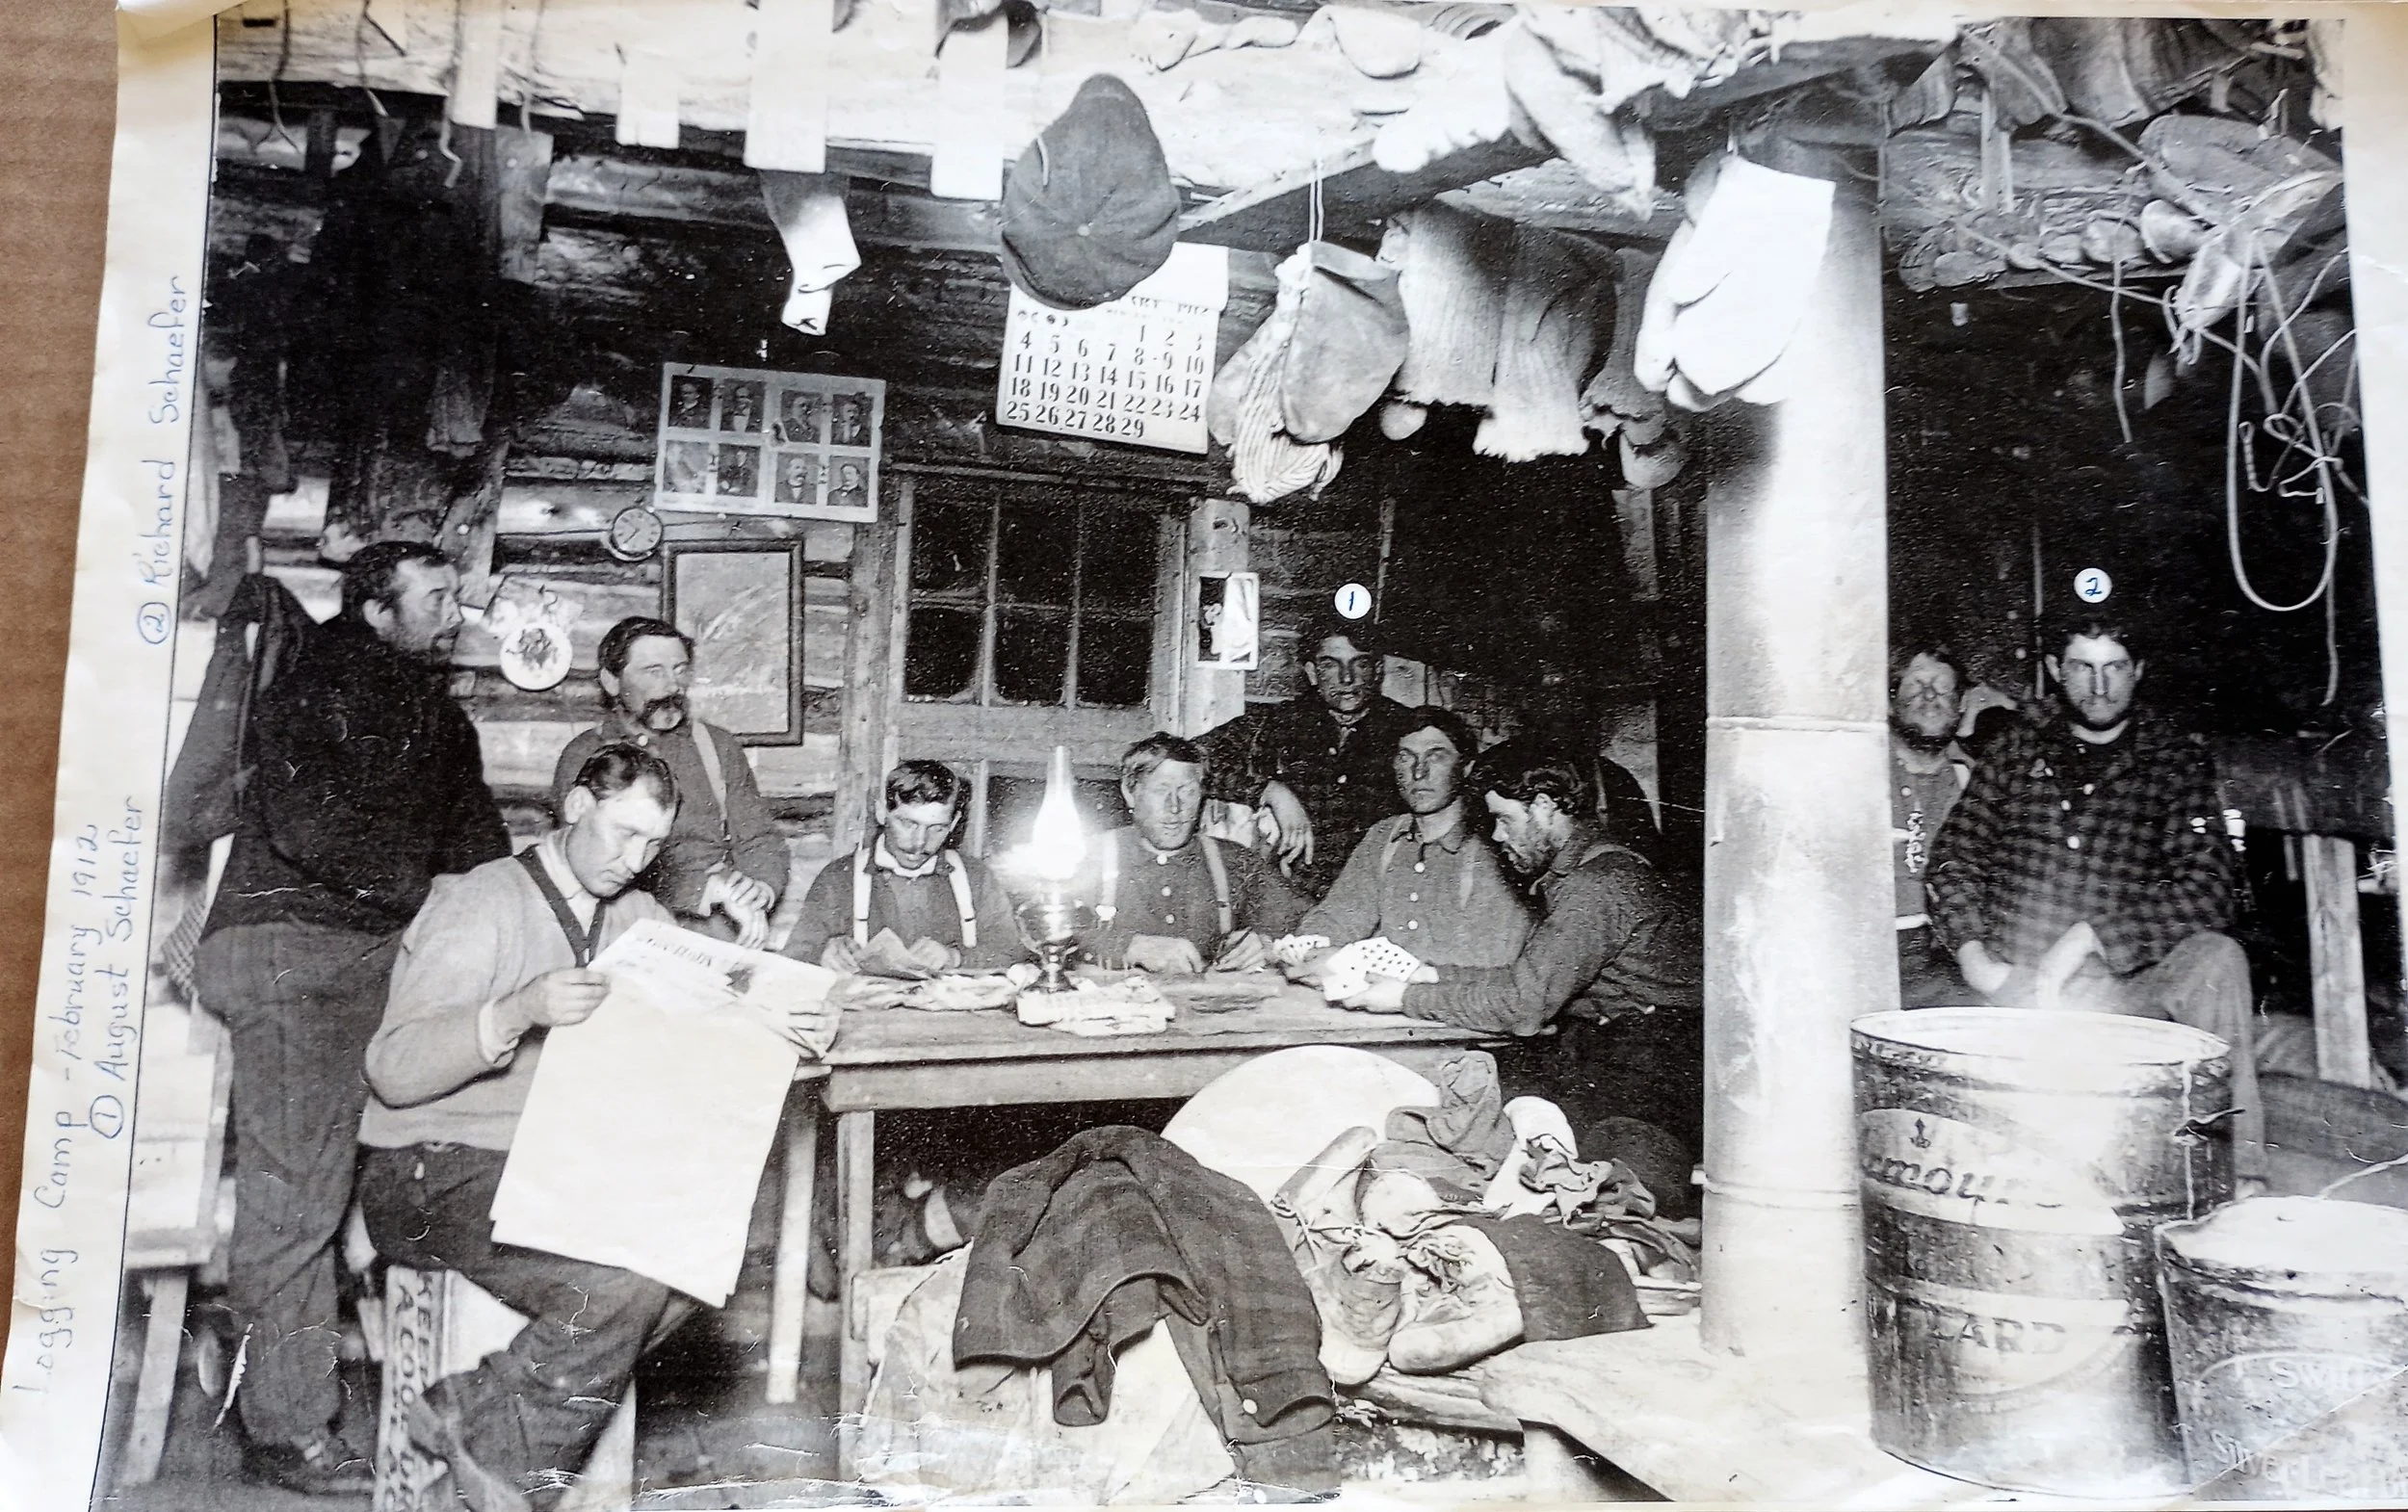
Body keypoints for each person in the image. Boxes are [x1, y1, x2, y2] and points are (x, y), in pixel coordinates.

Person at [358, 746, 839, 1510]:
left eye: (652, 845)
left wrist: (774, 1012)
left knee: (702, 1244)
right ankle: (495, 1440)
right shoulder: (481, 903)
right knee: (626, 1271)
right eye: (621, 834)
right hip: (428, 1167)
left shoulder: (636, 917)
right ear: (577, 807)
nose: (632, 859)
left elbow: (693, 1026)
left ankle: (480, 1406)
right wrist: (516, 1010)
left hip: (547, 1160)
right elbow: (392, 1069)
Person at [194, 539, 509, 1494]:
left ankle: (356, 1388)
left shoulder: (437, 714)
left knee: (376, 1169)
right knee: (296, 1198)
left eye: (459, 592)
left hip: (359, 954)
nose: (458, 609)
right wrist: (434, 897)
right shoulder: (316, 678)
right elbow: (309, 828)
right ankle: (285, 1431)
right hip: (296, 948)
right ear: (376, 608)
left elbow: (480, 850)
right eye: (439, 594)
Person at [1927, 615, 2263, 1175]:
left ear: (2138, 672)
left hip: (2127, 988)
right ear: (2057, 670)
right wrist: (1978, 962)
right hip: (2022, 985)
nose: (2099, 687)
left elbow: (2209, 888)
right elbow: (1953, 857)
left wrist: (2092, 937)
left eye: (2115, 668)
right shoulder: (2014, 751)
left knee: (2218, 960)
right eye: (2083, 666)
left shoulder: (2172, 760)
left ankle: (2238, 1176)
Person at [1335, 740, 1704, 1152]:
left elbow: (1524, 1003)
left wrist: (1407, 997)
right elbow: (1528, 976)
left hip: (1653, 1072)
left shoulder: (1596, 886)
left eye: (1504, 820)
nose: (1497, 834)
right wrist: (1434, 974)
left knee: (1470, 1126)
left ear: (1544, 807)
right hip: (1624, 1051)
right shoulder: (1588, 868)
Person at [553, 618, 785, 947]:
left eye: (680, 669)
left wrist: (759, 888)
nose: (673, 686)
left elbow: (759, 837)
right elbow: (594, 868)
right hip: (621, 928)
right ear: (611, 681)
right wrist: (701, 890)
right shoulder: (583, 755)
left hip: (717, 926)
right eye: (654, 671)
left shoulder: (716, 746)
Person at [1197, 612, 1421, 899]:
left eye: (1360, 664)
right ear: (1313, 673)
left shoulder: (1408, 729)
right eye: (1331, 665)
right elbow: (1191, 759)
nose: (1347, 677)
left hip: (1381, 896)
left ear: (1377, 671)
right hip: (1290, 896)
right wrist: (1270, 791)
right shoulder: (1278, 722)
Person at [1292, 707, 1532, 970]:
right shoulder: (1384, 836)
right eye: (1406, 758)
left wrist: (1355, 962)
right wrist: (1311, 948)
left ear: (1466, 767)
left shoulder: (1492, 844)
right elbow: (1337, 917)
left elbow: (1488, 960)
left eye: (1436, 757)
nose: (1419, 773)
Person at [1081, 733, 1310, 972]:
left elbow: (1310, 922)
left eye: (1187, 791)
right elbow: (1043, 933)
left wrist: (1268, 945)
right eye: (1160, 791)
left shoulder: (1233, 860)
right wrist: (1127, 946)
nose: (1175, 807)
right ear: (1130, 793)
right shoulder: (1087, 856)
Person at [785, 760, 1024, 971]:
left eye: (936, 828)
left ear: (954, 824)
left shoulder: (975, 878)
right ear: (881, 812)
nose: (919, 843)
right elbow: (794, 960)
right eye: (908, 823)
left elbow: (1013, 954)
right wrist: (822, 954)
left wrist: (956, 957)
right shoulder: (838, 879)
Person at [1890, 643, 1977, 1006]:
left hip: (1949, 957)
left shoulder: (1976, 781)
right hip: (1871, 950)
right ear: (1890, 701)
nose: (1930, 697)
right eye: (1916, 686)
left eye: (1943, 689)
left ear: (1960, 705)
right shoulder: (1855, 773)